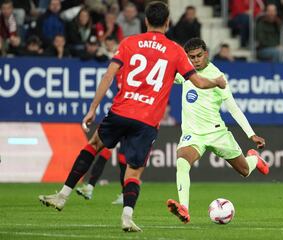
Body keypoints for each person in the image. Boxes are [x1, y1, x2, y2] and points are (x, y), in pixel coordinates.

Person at [38, 1, 226, 233]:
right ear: (167, 23)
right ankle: (127, 217)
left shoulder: (129, 42)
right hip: (147, 121)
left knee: (94, 145)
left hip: (121, 110)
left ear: (146, 21)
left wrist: (92, 108)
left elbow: (109, 75)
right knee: (134, 171)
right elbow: (198, 82)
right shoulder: (176, 50)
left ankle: (63, 195)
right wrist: (216, 81)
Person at [165, 38, 269, 224]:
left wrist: (251, 134)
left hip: (217, 133)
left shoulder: (218, 77)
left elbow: (234, 109)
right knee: (182, 162)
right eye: (191, 57)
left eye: (198, 56)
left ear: (206, 54)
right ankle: (184, 209)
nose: (195, 60)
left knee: (244, 170)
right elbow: (166, 75)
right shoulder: (186, 72)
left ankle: (254, 159)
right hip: (193, 135)